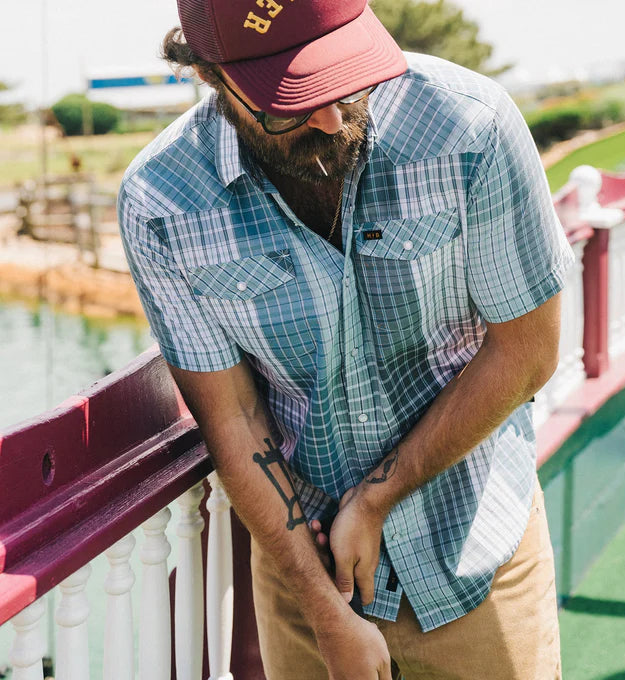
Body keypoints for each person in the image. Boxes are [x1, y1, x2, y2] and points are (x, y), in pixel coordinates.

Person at [118, 0, 574, 677]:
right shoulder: (160, 205)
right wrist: (324, 610)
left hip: (476, 543)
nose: (332, 117)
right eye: (291, 101)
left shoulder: (470, 124)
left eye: (345, 74)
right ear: (212, 77)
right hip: (306, 576)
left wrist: (377, 496)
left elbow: (527, 350)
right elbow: (235, 419)